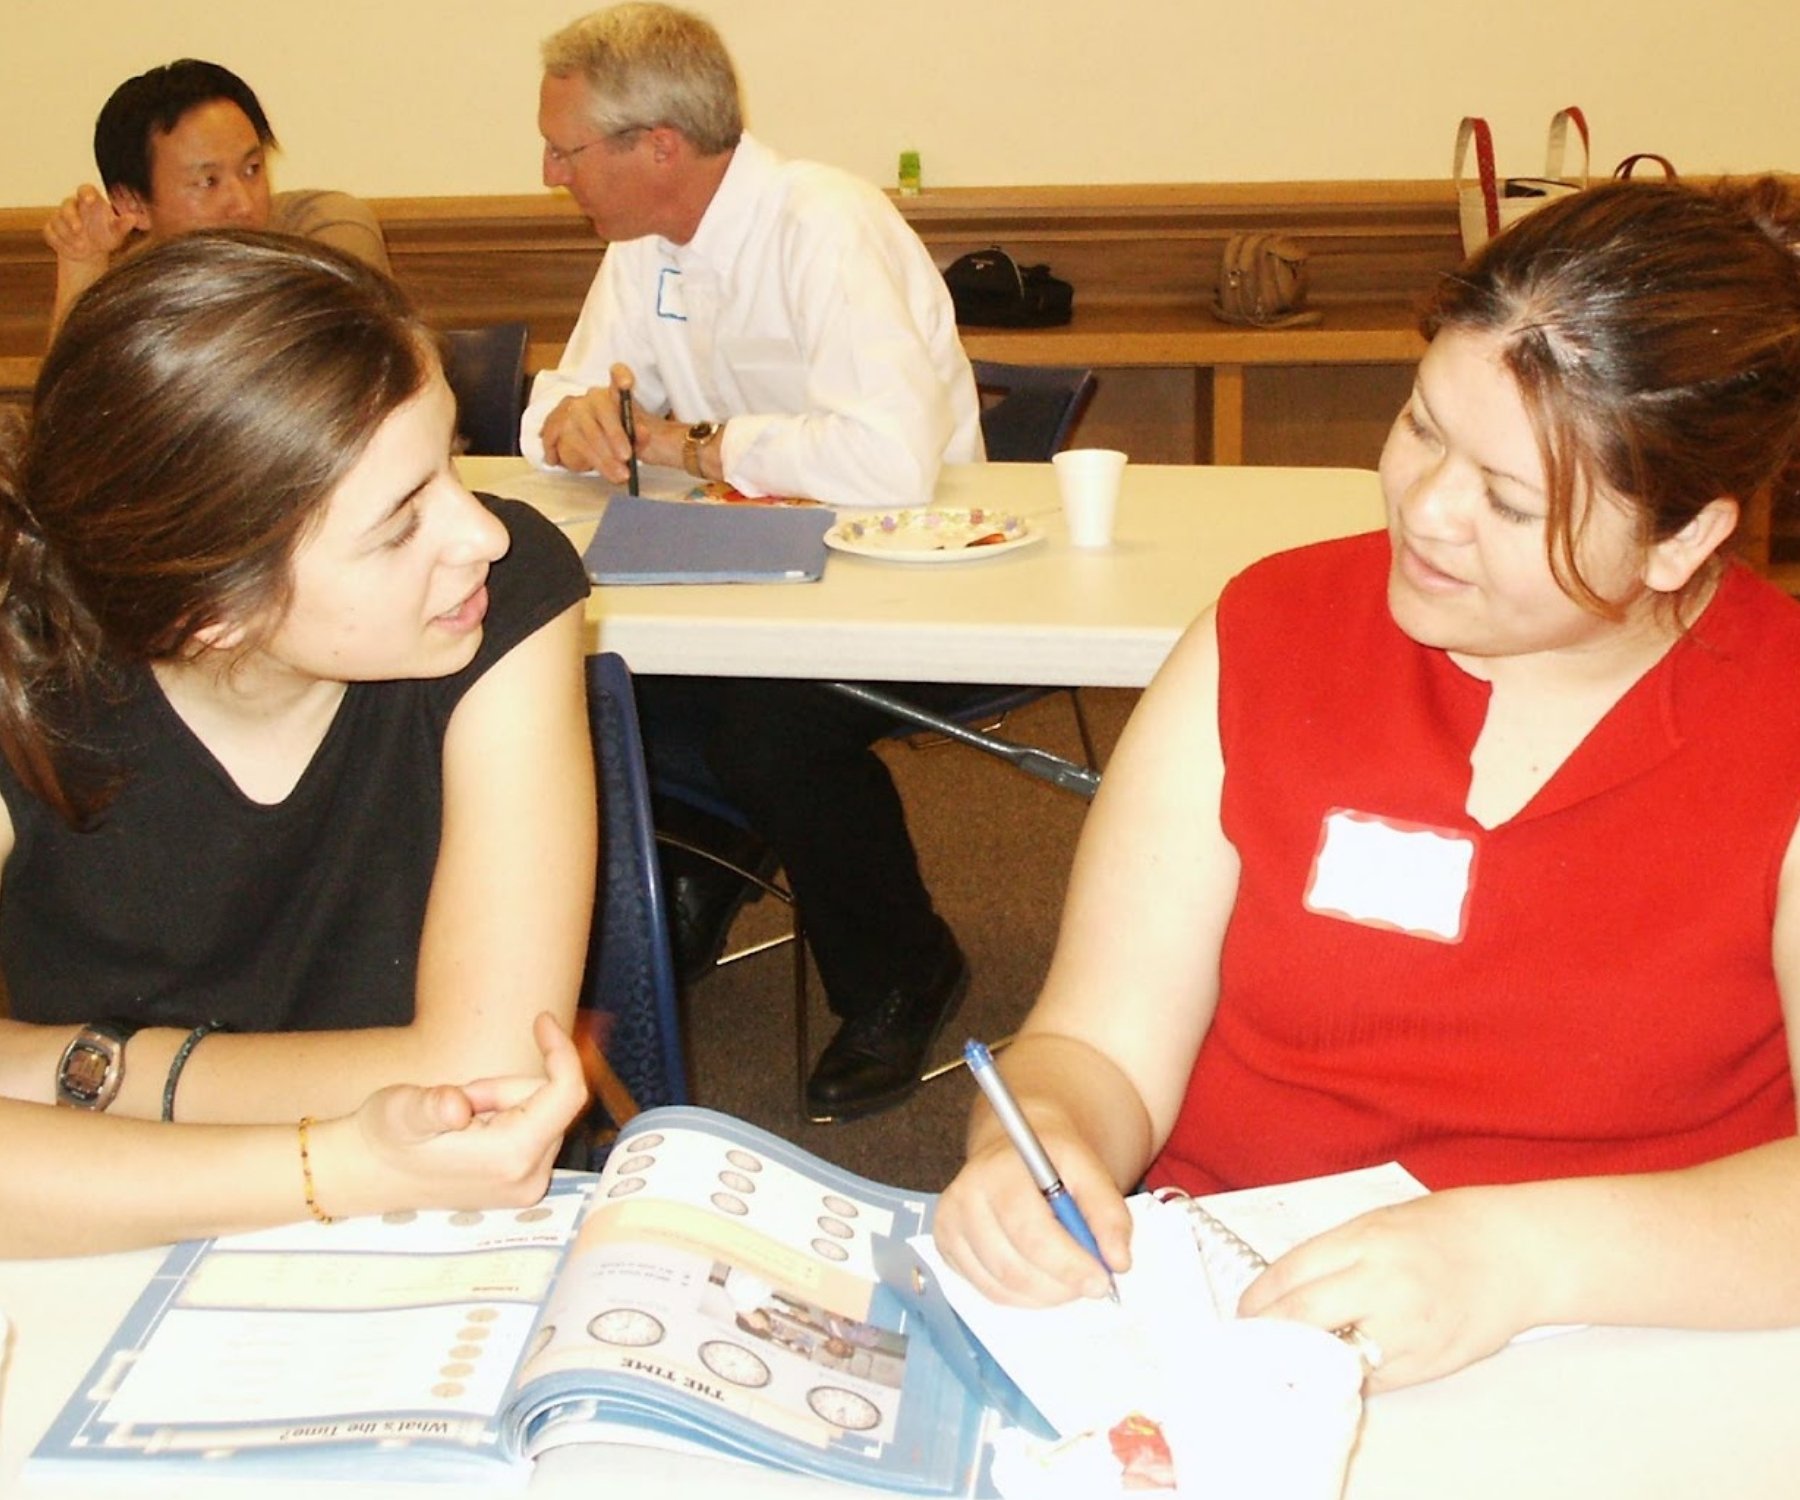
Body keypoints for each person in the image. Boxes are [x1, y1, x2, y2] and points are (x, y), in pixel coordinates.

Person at [934, 177, 1800, 1392]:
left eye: (1508, 500)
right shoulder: (1267, 635)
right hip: (1239, 1334)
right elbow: (1096, 1043)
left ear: (1686, 538)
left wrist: (1516, 1258)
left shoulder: (1780, 724)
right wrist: (1041, 1145)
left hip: (1625, 1353)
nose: (1425, 509)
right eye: (1421, 426)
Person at [0, 233, 596, 1184]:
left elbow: (486, 1078)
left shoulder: (503, 595)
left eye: (453, 460)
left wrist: (89, 1071)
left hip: (418, 1232)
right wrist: (337, 1161)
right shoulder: (29, 671)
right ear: (211, 616)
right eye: (400, 524)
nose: (481, 530)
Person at [523, 3, 986, 1121]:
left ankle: (901, 967)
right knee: (592, 676)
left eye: (565, 149)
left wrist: (699, 444)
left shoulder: (824, 223)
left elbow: (887, 463)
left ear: (659, 149)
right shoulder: (641, 250)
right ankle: (699, 868)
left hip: (920, 578)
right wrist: (573, 423)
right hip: (745, 569)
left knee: (764, 724)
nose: (548, 173)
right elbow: (558, 398)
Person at [41, 58, 391, 337]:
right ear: (133, 204)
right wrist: (81, 262)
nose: (243, 203)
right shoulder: (137, 278)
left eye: (252, 169)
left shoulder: (327, 229)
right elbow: (74, 412)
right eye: (208, 182)